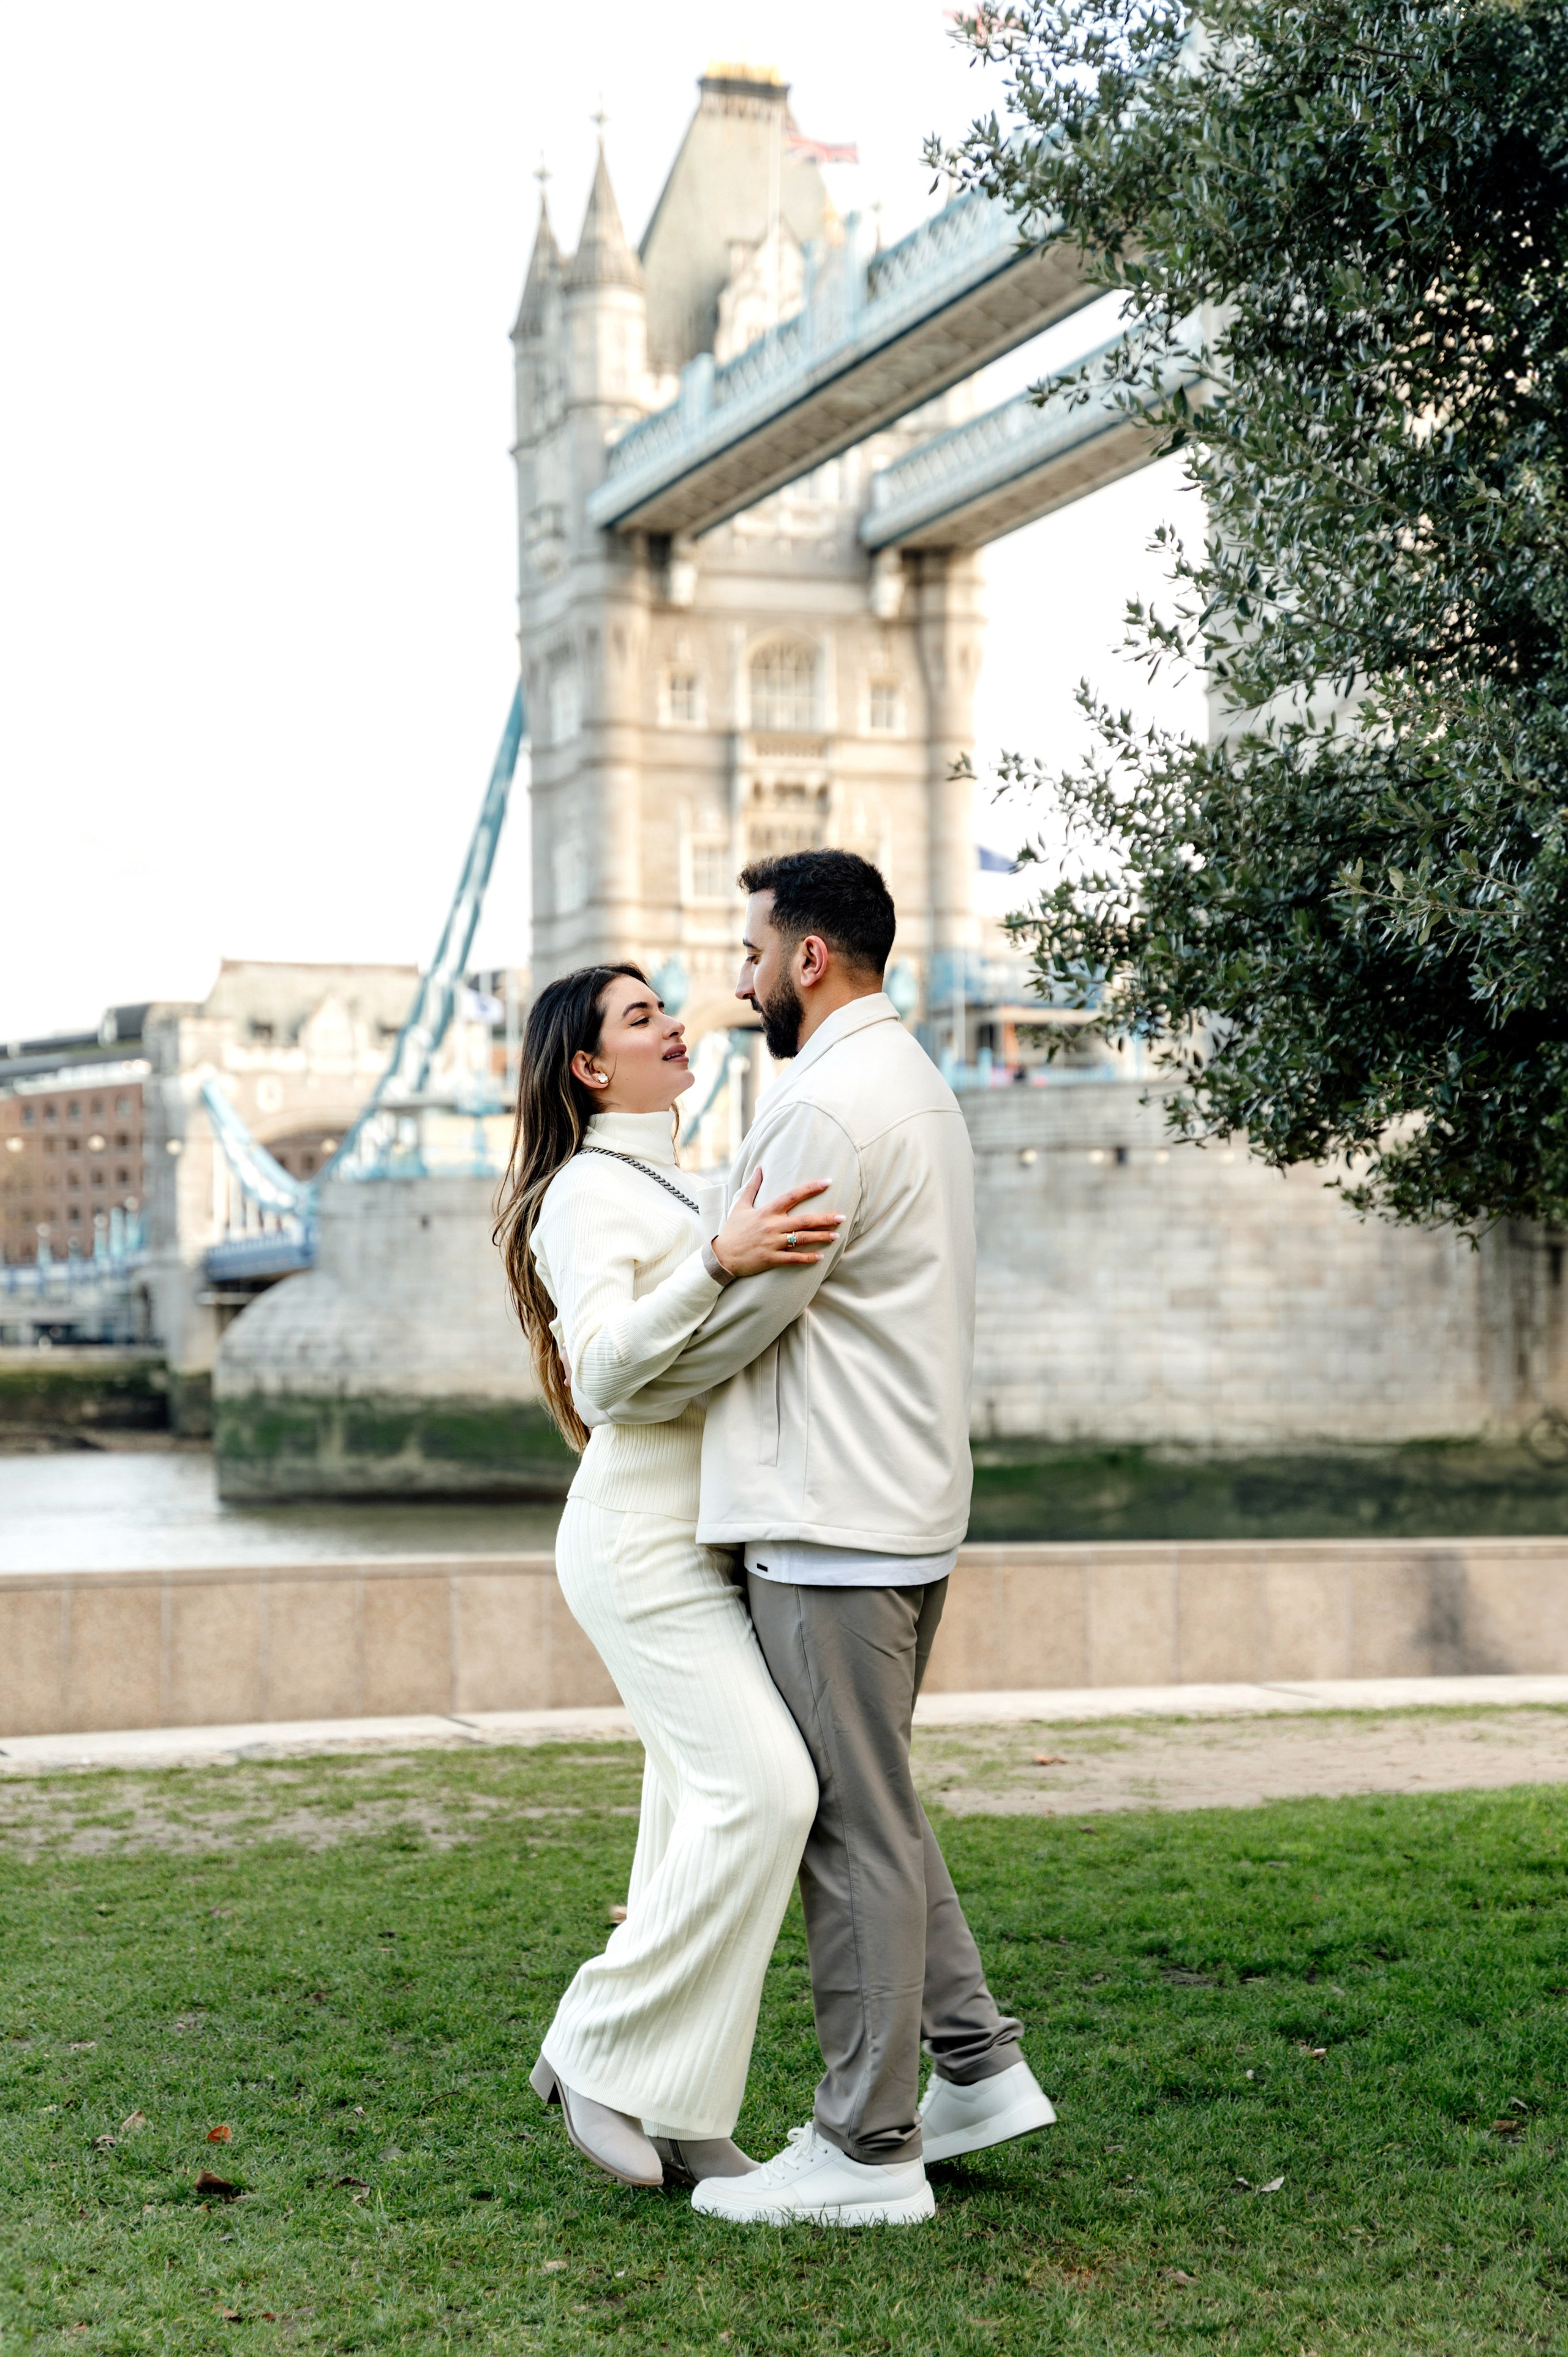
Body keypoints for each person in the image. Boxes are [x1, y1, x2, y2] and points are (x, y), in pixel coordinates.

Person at [600, 850, 1056, 2227]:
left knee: (846, 1833)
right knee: (875, 1808)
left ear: (808, 956)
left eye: (747, 951)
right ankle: (975, 2065)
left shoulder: (826, 1112)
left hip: (824, 1521)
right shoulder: (905, 1080)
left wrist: (625, 1382)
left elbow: (742, 1322)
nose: (732, 980)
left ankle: (864, 2150)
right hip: (888, 1506)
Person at [493, 961, 838, 2193]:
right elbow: (599, 1376)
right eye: (640, 1018)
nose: (672, 1025)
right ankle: (594, 2046)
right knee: (765, 1795)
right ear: (590, 1067)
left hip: (706, 1539)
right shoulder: (586, 1193)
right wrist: (718, 1259)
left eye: (663, 1007)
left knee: (696, 1821)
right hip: (639, 1548)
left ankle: (683, 2108)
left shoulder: (679, 1177)